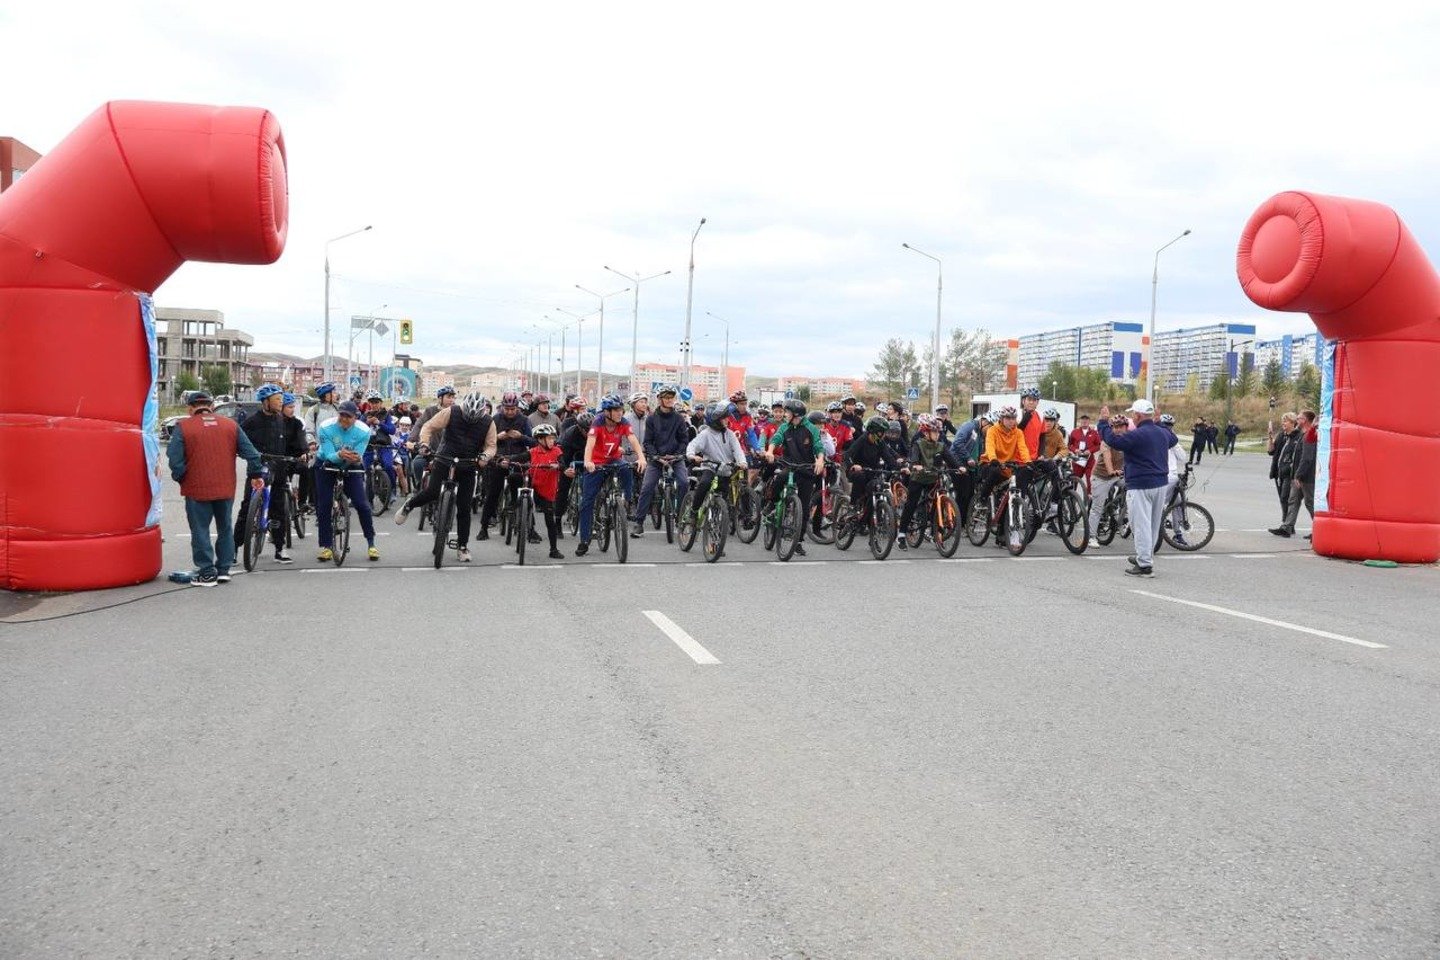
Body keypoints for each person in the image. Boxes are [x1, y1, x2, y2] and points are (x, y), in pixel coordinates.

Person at [167, 390, 264, 586]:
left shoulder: (183, 427)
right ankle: (223, 570)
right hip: (225, 487)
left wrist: (182, 478)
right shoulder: (230, 425)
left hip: (196, 488)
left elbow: (175, 460)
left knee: (200, 530)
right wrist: (255, 475)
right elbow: (253, 455)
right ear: (211, 406)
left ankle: (207, 572)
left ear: (190, 408)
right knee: (225, 528)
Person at [395, 392, 497, 562]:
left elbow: (491, 446)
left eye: (475, 417)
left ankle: (463, 546)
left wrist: (485, 456)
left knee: (464, 507)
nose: (470, 419)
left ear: (482, 413)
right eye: (467, 415)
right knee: (432, 492)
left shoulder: (488, 422)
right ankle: (409, 505)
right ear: (464, 408)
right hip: (445, 458)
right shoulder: (452, 411)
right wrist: (425, 444)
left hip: (468, 463)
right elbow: (428, 426)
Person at [1097, 398, 1176, 576]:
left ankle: (1144, 565)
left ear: (1139, 416)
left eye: (1133, 414)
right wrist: (1158, 423)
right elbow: (1173, 438)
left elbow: (1113, 440)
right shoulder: (1162, 433)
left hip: (1140, 485)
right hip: (1160, 484)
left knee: (1140, 524)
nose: (1132, 417)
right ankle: (1145, 555)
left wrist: (1103, 422)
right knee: (1153, 524)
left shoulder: (1136, 435)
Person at [234, 384, 306, 564]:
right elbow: (239, 441)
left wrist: (301, 453)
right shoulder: (252, 422)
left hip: (279, 469)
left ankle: (279, 549)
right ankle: (234, 548)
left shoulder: (283, 421)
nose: (280, 402)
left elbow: (295, 441)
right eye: (276, 399)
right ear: (265, 401)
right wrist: (243, 453)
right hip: (257, 470)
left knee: (278, 509)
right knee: (246, 507)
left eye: (281, 399)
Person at [575, 394, 646, 556]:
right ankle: (584, 540)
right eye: (616, 410)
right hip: (596, 463)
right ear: (607, 412)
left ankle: (627, 501)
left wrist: (641, 458)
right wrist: (588, 461)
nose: (620, 413)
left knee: (626, 468)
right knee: (587, 502)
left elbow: (633, 439)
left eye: (621, 409)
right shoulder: (598, 422)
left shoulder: (623, 423)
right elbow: (589, 444)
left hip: (613, 459)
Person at [314, 401, 382, 562]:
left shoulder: (363, 431)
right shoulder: (325, 427)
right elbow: (329, 454)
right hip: (326, 462)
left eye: (348, 416)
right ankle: (326, 546)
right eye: (341, 415)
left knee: (362, 504)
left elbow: (357, 455)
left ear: (355, 418)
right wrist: (340, 455)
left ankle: (371, 543)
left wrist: (352, 457)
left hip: (351, 464)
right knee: (323, 504)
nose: (343, 419)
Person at [762, 398, 825, 556]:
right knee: (780, 478)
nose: (785, 414)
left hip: (806, 470)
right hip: (789, 466)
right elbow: (775, 439)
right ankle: (772, 503)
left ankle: (798, 541)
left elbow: (818, 446)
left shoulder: (811, 429)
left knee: (804, 508)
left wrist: (820, 460)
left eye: (787, 412)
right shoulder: (785, 427)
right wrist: (770, 451)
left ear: (795, 414)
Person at [686, 402, 752, 550]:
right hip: (709, 467)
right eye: (724, 418)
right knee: (704, 484)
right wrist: (692, 455)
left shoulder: (730, 434)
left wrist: (742, 462)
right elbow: (693, 445)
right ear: (715, 420)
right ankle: (693, 511)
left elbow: (738, 450)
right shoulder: (706, 434)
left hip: (725, 471)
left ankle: (715, 543)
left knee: (721, 507)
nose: (727, 420)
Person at [631, 384, 690, 537]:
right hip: (656, 460)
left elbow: (684, 440)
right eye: (667, 397)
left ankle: (681, 518)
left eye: (672, 397)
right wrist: (655, 456)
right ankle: (639, 523)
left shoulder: (678, 418)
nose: (670, 400)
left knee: (684, 482)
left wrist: (676, 454)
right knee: (647, 487)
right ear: (659, 399)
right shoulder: (651, 419)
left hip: (675, 459)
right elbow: (648, 442)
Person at [896, 414, 961, 549]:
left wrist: (959, 467)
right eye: (934, 432)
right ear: (926, 433)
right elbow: (913, 459)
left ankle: (935, 532)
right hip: (918, 478)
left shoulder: (941, 446)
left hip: (933, 477)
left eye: (938, 432)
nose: (937, 434)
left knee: (937, 501)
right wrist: (915, 465)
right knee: (911, 504)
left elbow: (950, 458)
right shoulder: (918, 444)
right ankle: (901, 534)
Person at [503, 422, 566, 560]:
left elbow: (563, 464)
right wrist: (506, 460)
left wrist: (557, 466)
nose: (552, 441)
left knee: (550, 521)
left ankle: (553, 549)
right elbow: (519, 457)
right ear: (540, 439)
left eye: (552, 438)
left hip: (547, 491)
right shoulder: (533, 451)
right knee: (514, 477)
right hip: (534, 486)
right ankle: (515, 503)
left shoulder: (557, 451)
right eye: (549, 438)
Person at [477, 391, 534, 541]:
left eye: (512, 409)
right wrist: (497, 437)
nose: (509, 412)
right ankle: (483, 528)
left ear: (517, 408)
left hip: (517, 459)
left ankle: (529, 527)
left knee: (524, 493)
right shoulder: (495, 419)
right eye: (506, 409)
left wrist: (521, 436)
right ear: (502, 407)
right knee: (492, 494)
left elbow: (534, 443)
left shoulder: (524, 420)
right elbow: (484, 442)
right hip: (498, 458)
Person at [976, 405, 1034, 544]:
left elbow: (1022, 448)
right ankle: (983, 499)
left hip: (1007, 467)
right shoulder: (993, 430)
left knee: (1008, 496)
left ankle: (1001, 534)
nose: (1011, 421)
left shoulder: (1018, 432)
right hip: (990, 463)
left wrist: (1028, 461)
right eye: (1008, 418)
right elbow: (989, 446)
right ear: (1002, 419)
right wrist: (994, 459)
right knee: (994, 472)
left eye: (1013, 418)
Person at [1272, 409, 1318, 538]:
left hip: (1306, 477)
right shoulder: (1303, 435)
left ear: (1305, 421)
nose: (1297, 420)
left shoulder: (1310, 435)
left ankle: (1320, 529)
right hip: (1298, 476)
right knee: (1293, 501)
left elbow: (1307, 458)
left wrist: (1299, 475)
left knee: (1310, 503)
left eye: (1299, 418)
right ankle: (1287, 527)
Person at [1088, 415, 1127, 547]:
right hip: (1102, 477)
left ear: (1126, 427)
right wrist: (1111, 471)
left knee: (1133, 488)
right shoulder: (1106, 441)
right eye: (1114, 427)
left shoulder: (1127, 441)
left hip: (1117, 476)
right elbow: (1107, 458)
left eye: (1121, 426)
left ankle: (1121, 511)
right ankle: (1091, 536)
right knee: (1097, 508)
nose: (1117, 429)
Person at [407, 386, 457, 489]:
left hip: (448, 454)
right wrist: (411, 441)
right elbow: (419, 426)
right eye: (448, 397)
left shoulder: (456, 412)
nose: (452, 400)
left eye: (453, 397)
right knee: (417, 463)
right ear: (440, 398)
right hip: (430, 450)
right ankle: (419, 486)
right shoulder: (430, 411)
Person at [556, 411, 593, 536]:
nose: (589, 433)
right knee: (563, 488)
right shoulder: (569, 435)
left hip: (587, 460)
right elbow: (561, 456)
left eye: (591, 430)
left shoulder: (596, 433)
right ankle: (557, 520)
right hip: (570, 457)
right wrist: (565, 469)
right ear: (579, 427)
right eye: (586, 430)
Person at [363, 394, 398, 504]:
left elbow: (392, 430)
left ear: (381, 403)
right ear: (369, 404)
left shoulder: (386, 415)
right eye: (372, 402)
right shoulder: (365, 415)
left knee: (388, 466)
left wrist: (380, 423)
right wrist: (367, 423)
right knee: (369, 472)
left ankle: (392, 490)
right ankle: (370, 502)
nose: (374, 405)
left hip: (384, 446)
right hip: (369, 447)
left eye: (377, 402)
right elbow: (358, 429)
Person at [1268, 413, 1301, 519]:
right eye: (1283, 421)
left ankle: (1287, 523)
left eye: (1286, 421)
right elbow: (1271, 451)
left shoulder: (1298, 436)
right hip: (1278, 472)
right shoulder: (1282, 435)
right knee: (1282, 498)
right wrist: (1270, 438)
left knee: (1285, 497)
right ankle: (1286, 521)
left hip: (1289, 473)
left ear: (1293, 423)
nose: (1283, 423)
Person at [1068, 413, 1101, 495]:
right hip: (1078, 460)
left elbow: (1099, 445)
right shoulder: (1074, 432)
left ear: (1089, 421)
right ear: (1080, 421)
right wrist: (1075, 449)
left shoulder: (1094, 433)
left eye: (1086, 419)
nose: (1084, 421)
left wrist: (1090, 450)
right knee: (1075, 479)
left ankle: (1089, 496)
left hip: (1089, 460)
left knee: (1090, 479)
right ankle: (1072, 496)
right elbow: (1069, 445)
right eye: (1083, 419)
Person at [1016, 388, 1045, 462]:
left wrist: (1041, 454)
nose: (1031, 402)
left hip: (1034, 459)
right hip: (1018, 459)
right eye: (1029, 399)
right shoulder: (1017, 415)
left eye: (1034, 400)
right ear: (1023, 401)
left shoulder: (1040, 416)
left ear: (1037, 402)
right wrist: (1026, 417)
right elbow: (1014, 434)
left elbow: (1042, 437)